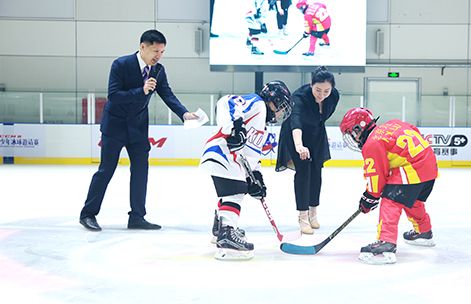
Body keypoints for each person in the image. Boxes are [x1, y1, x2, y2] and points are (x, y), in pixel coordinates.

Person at [79, 29, 198, 232]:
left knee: (141, 172)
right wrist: (140, 90)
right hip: (115, 126)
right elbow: (114, 95)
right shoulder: (121, 64)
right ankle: (88, 214)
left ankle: (137, 217)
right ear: (142, 47)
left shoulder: (158, 70)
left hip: (138, 128)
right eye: (155, 51)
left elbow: (167, 93)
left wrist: (184, 113)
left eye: (162, 52)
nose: (158, 56)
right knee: (106, 170)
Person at [200, 80, 293, 260]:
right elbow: (226, 102)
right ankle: (227, 233)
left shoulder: (262, 127)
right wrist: (235, 127)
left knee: (232, 192)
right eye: (281, 106)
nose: (281, 112)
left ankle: (220, 228)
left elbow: (251, 156)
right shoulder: (257, 103)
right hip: (222, 151)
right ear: (272, 99)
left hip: (230, 159)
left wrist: (256, 178)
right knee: (235, 192)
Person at [339, 107, 438, 265]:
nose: (353, 138)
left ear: (360, 128)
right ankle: (423, 231)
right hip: (430, 166)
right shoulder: (393, 124)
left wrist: (370, 196)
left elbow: (376, 174)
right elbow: (414, 130)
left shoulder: (371, 143)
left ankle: (386, 242)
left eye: (352, 133)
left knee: (391, 199)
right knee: (410, 199)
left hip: (413, 169)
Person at [275, 66, 339, 234]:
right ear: (311, 84)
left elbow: (322, 117)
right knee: (303, 171)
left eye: (326, 91)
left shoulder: (333, 96)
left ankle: (313, 213)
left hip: (316, 133)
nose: (322, 94)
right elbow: (295, 121)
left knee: (317, 171)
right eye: (318, 90)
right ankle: (302, 216)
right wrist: (299, 146)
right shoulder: (299, 97)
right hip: (295, 134)